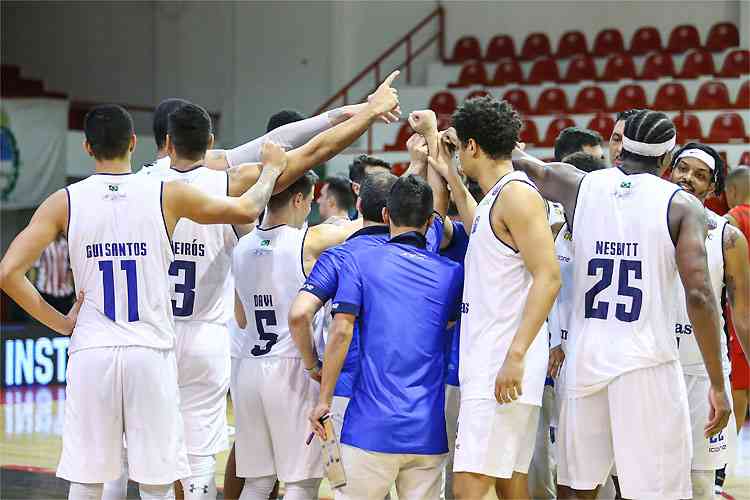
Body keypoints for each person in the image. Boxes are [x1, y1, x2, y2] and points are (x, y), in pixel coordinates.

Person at [0, 104, 288, 500]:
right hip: (150, 350)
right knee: (156, 482)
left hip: (93, 349)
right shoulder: (162, 192)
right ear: (134, 143)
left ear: (86, 147)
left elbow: (7, 273)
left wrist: (61, 323)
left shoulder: (65, 201)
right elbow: (246, 208)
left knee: (89, 479)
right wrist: (271, 170)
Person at [513, 109, 733, 499]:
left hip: (586, 357)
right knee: (652, 488)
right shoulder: (682, 205)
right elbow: (699, 295)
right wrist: (718, 383)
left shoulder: (576, 183)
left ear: (621, 146)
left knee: (578, 484)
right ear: (667, 159)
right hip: (646, 362)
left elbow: (521, 164)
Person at [229, 71, 401, 500]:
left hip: (249, 369)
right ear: (303, 199)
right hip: (293, 367)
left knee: (257, 481)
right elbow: (373, 220)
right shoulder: (311, 239)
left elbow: (239, 314)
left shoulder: (241, 243)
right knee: (302, 481)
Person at [309, 175, 464, 499]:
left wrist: (323, 400)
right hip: (427, 433)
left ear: (385, 216)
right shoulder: (451, 273)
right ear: (430, 221)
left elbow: (341, 331)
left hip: (370, 428)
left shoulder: (359, 261)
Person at [448, 96, 561, 500]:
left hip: (503, 364)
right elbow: (474, 218)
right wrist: (447, 165)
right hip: (497, 362)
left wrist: (514, 356)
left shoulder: (516, 195)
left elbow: (549, 277)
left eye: (460, 146)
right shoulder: (498, 198)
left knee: (467, 490)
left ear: (473, 146)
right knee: (512, 486)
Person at [667, 143, 749, 500]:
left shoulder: (727, 237)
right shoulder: (643, 224)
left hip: (704, 371)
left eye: (700, 175)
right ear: (669, 171)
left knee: (701, 486)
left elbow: (742, 314)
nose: (688, 178)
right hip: (653, 365)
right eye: (682, 168)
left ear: (714, 188)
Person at [725, 165, 750, 434]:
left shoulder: (733, 218)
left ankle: (728, 446)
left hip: (743, 304)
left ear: (731, 191)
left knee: (740, 381)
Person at [28, 233, 75, 314]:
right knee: (44, 325)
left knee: (65, 324)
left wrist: (75, 292)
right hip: (46, 293)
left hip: (65, 294)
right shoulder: (42, 244)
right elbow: (34, 268)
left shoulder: (67, 245)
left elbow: (70, 270)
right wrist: (31, 292)